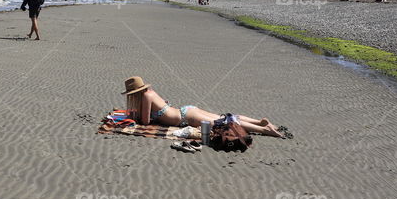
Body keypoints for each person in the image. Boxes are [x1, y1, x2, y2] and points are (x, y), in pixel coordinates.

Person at [121, 76, 285, 137]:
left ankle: (265, 130)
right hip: (187, 111)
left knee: (223, 123)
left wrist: (139, 119)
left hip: (186, 117)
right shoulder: (152, 92)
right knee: (223, 118)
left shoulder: (147, 96)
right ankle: (260, 122)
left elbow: (146, 122)